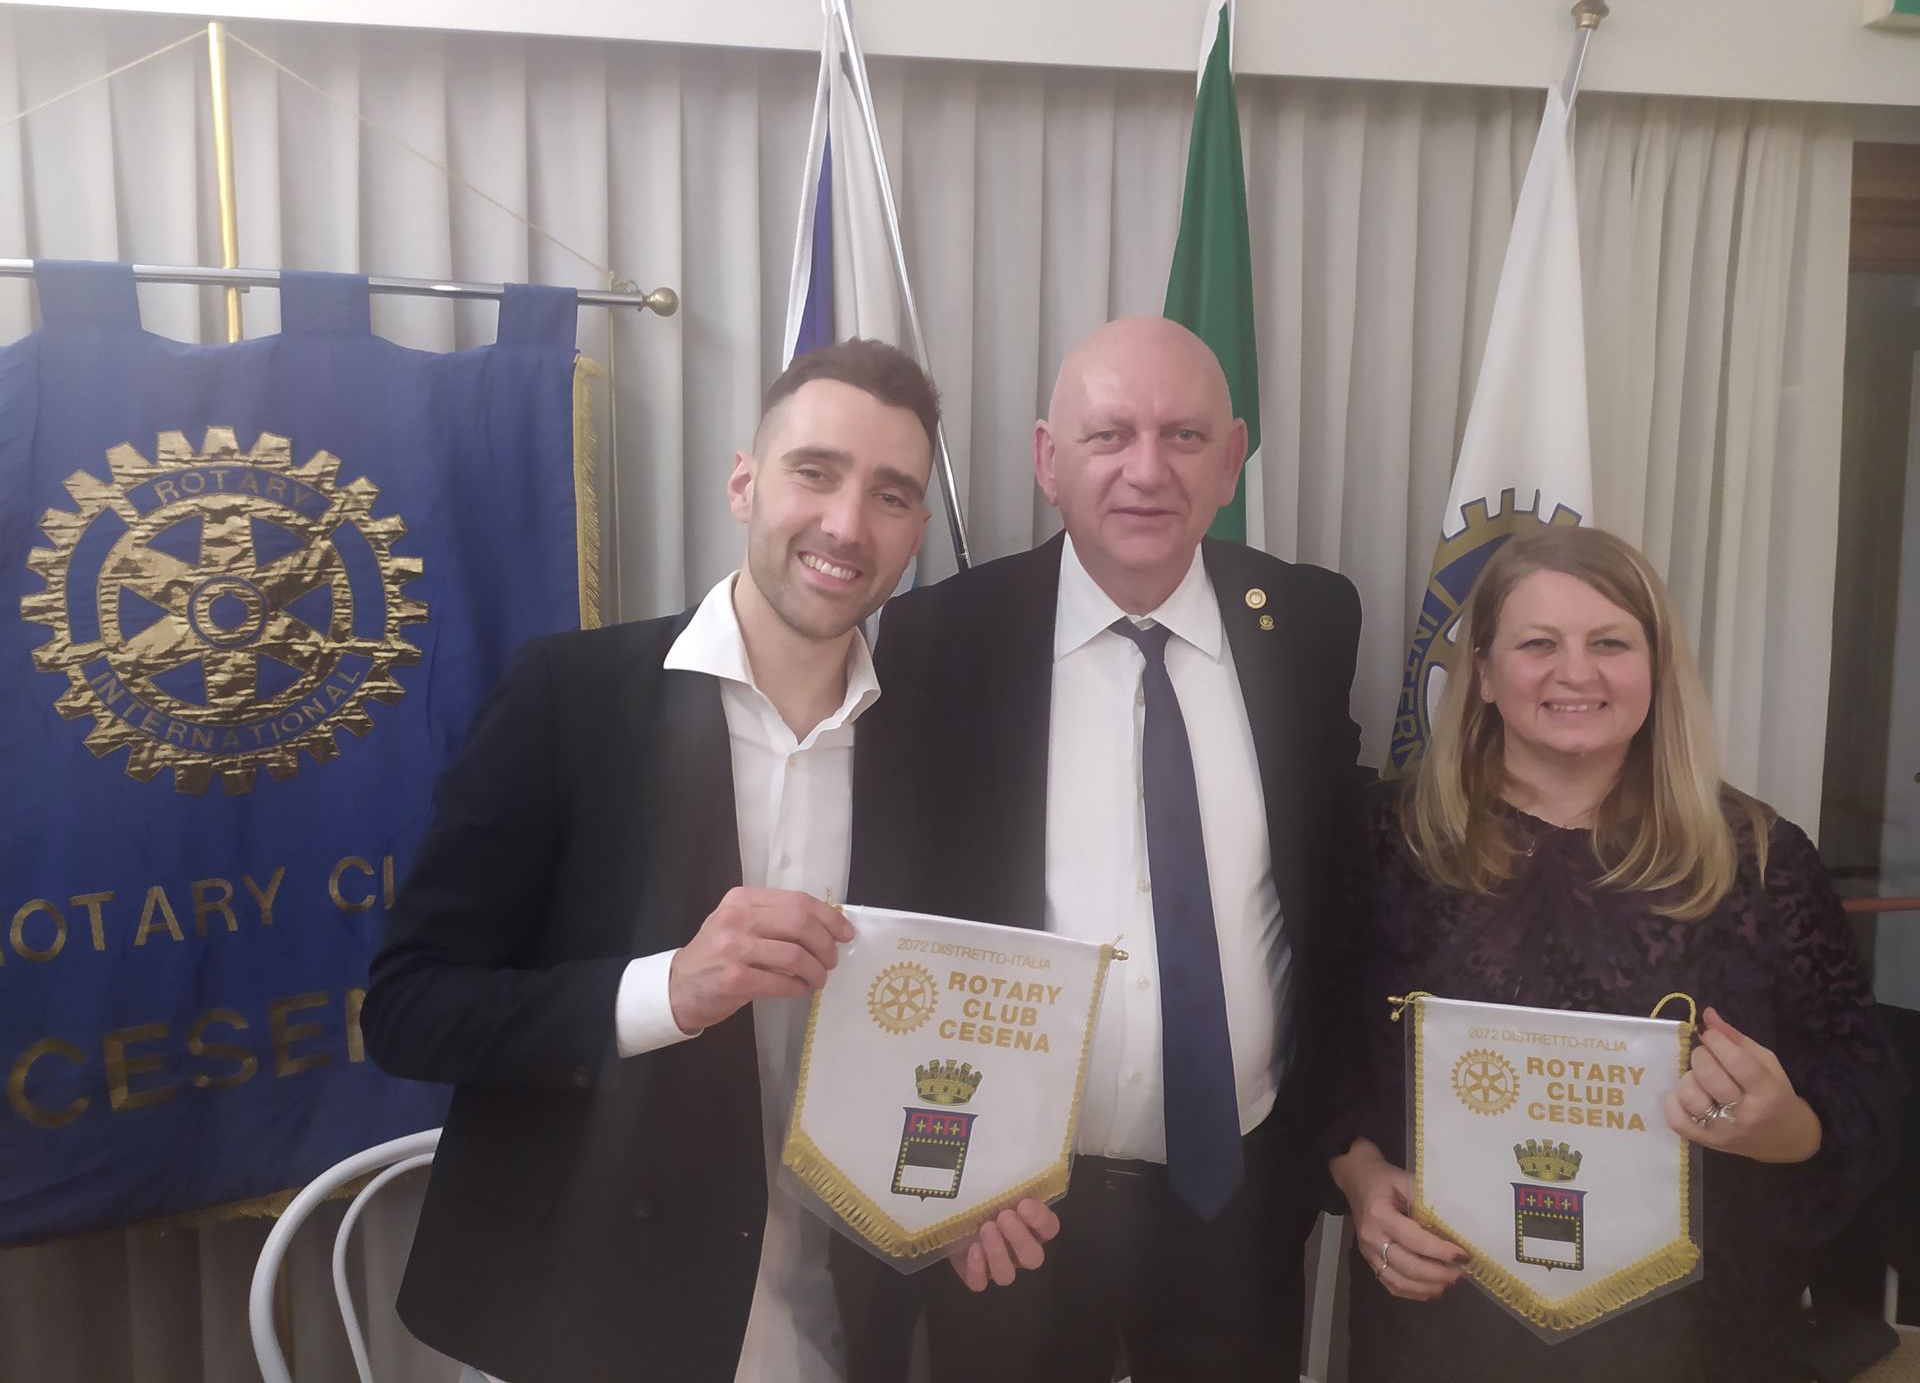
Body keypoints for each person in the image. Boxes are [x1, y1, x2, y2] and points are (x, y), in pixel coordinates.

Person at [362, 339, 1051, 1383]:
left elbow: (944, 1028)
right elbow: (408, 1010)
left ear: (916, 531)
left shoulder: (943, 746)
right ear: (744, 483)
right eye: (815, 472)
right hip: (580, 1324)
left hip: (828, 1322)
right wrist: (669, 991)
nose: (846, 524)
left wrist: (960, 1192)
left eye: (890, 495)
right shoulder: (569, 698)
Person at [838, 316, 1368, 1382]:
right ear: (1048, 460)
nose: (1147, 470)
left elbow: (1334, 896)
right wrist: (944, 1172)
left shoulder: (1306, 621)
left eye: (1184, 436)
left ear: (1232, 459)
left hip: (1242, 1197)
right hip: (1011, 1207)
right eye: (1109, 435)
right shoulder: (943, 637)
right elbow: (894, 921)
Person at [1327, 525, 1904, 1383]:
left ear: (1657, 667)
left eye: (1609, 643)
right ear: (1482, 672)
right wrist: (1363, 1180)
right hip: (1443, 1326)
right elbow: (1326, 1060)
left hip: (1699, 1337)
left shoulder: (1760, 858)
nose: (1577, 673)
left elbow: (1864, 1093)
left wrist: (1787, 1128)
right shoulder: (1388, 840)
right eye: (1538, 644)